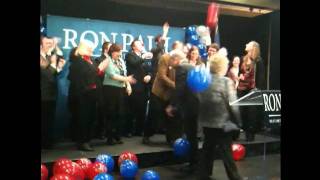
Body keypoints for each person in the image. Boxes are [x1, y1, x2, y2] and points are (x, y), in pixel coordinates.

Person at [197, 54, 242, 180]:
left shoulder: (203, 81)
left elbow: (200, 101)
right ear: (222, 66)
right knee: (227, 153)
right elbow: (233, 105)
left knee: (207, 150)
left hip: (207, 123)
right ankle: (235, 178)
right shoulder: (226, 81)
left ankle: (203, 176)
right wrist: (238, 122)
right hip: (222, 124)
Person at [68, 40, 107, 151]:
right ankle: (82, 142)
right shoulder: (78, 61)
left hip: (92, 95)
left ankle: (87, 140)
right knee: (83, 119)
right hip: (82, 96)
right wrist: (98, 70)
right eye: (88, 48)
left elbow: (95, 74)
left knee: (90, 118)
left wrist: (100, 70)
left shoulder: (91, 61)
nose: (91, 49)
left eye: (91, 48)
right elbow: (78, 79)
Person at [166, 50, 200, 173]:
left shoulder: (181, 68)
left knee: (191, 136)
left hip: (190, 106)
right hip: (197, 104)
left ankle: (193, 165)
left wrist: (172, 105)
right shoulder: (191, 66)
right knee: (193, 136)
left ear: (176, 59)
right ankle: (194, 163)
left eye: (170, 59)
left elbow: (179, 89)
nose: (169, 62)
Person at [103, 43, 136, 145]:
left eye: (120, 51)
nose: (119, 54)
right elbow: (113, 75)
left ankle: (117, 135)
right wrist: (127, 79)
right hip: (110, 89)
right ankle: (110, 137)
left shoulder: (121, 61)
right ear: (112, 52)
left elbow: (124, 74)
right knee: (111, 113)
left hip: (120, 89)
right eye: (117, 52)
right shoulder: (108, 61)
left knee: (119, 113)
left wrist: (128, 85)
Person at [41, 36, 66, 149]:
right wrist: (53, 64)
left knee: (49, 120)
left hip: (50, 94)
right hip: (43, 94)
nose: (50, 46)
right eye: (47, 43)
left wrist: (59, 67)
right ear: (41, 45)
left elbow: (60, 57)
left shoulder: (49, 56)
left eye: (51, 44)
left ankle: (47, 142)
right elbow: (47, 75)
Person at [238, 41, 264, 141]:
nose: (245, 44)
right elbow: (240, 72)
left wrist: (257, 89)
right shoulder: (243, 59)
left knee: (251, 113)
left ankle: (250, 134)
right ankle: (237, 133)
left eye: (248, 44)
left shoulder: (258, 60)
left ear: (253, 47)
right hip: (241, 89)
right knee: (240, 112)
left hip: (252, 90)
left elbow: (261, 77)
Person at [125, 39, 152, 136]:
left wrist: (149, 75)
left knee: (142, 109)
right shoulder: (129, 55)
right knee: (132, 109)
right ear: (133, 47)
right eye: (139, 44)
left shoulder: (143, 57)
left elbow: (149, 69)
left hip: (144, 87)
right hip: (134, 86)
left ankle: (139, 130)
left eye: (142, 44)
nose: (141, 46)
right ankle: (128, 130)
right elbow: (134, 64)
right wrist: (144, 56)